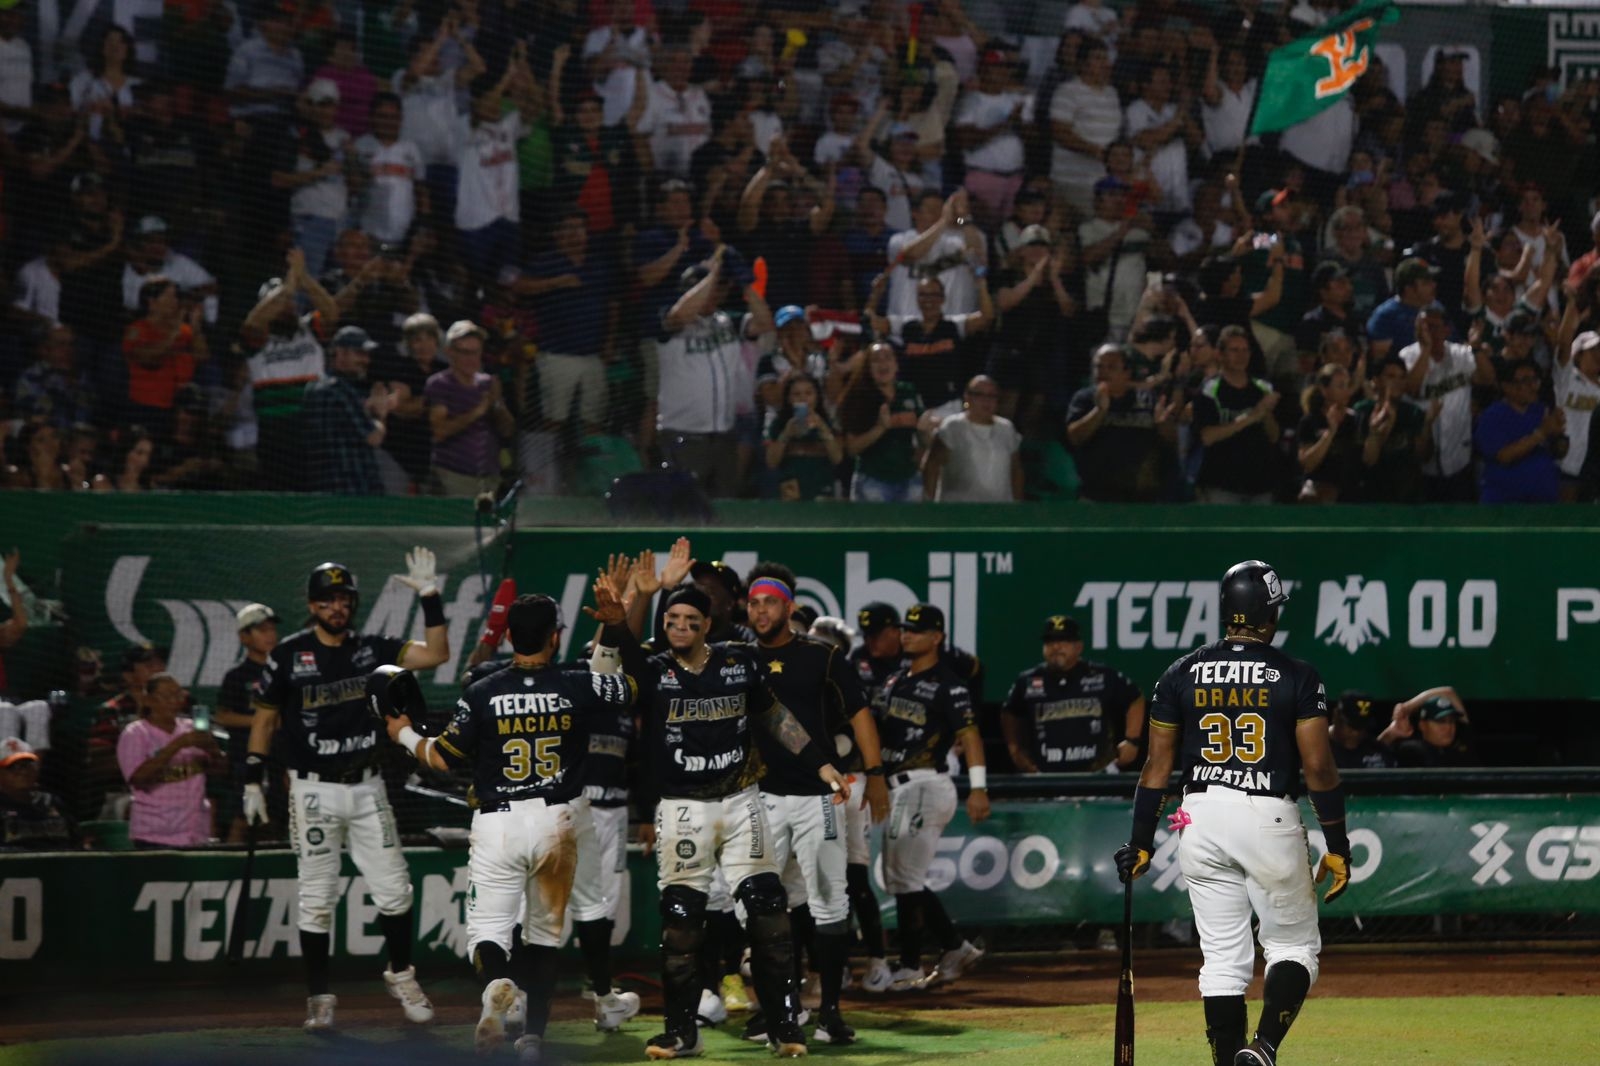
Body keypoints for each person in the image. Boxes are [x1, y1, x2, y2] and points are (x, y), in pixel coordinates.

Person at [588, 577, 848, 1060]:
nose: (680, 628)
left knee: (770, 917)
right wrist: (615, 626)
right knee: (682, 923)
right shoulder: (653, 668)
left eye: (691, 621)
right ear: (662, 626)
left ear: (708, 625)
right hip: (682, 809)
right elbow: (604, 688)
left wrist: (820, 761)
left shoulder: (739, 661)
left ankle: (783, 1025)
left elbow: (774, 715)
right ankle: (682, 1032)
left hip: (740, 800)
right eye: (671, 621)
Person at [380, 593, 642, 1062]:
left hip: (499, 822)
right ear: (555, 636)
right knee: (543, 937)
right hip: (559, 823)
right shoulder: (577, 683)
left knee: (488, 933)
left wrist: (401, 732)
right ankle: (532, 1040)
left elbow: (440, 756)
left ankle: (500, 985)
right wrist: (616, 626)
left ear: (507, 637)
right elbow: (632, 685)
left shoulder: (483, 689)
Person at [1115, 560, 1351, 1066]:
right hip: (1268, 814)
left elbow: (1156, 767)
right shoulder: (1297, 675)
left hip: (1197, 816)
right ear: (1268, 612)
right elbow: (1319, 768)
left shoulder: (1180, 672)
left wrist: (1140, 841)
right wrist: (1338, 844)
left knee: (1222, 960)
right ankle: (1262, 1049)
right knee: (1293, 948)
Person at [242, 556, 450, 1031]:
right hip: (312, 791)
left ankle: (401, 975)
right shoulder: (289, 654)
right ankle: (319, 996)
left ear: (353, 603)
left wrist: (430, 596)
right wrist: (252, 776)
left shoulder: (372, 649)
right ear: (312, 604)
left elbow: (436, 654)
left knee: (395, 891)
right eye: (327, 600)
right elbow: (265, 718)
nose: (336, 607)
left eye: (344, 599)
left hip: (367, 787)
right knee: (316, 898)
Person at [743, 562, 889, 1045]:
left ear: (788, 608)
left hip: (815, 796)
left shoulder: (823, 658)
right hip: (757, 797)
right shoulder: (737, 659)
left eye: (770, 602)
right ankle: (776, 1009)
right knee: (763, 907)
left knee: (830, 903)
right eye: (754, 602)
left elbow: (861, 713)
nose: (761, 610)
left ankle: (829, 1010)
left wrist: (876, 774)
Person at [875, 603, 988, 991]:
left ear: (937, 637)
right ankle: (955, 946)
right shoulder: (894, 680)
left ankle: (910, 966)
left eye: (918, 630)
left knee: (905, 878)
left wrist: (978, 787)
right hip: (897, 786)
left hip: (926, 782)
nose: (908, 635)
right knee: (900, 878)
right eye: (906, 629)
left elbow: (970, 736)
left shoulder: (949, 684)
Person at [1001, 615, 1144, 774]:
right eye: (1050, 642)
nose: (1056, 647)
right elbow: (1010, 713)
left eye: (1064, 641)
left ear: (1078, 647)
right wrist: (1015, 751)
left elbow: (1135, 698)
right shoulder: (1028, 681)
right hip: (1045, 777)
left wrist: (1132, 741)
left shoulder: (1099, 676)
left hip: (1098, 774)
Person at [1400, 303, 1495, 501]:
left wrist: (1476, 347)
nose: (1427, 332)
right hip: (1421, 464)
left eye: (1433, 327)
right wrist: (1425, 350)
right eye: (1423, 327)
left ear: (1447, 330)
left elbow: (1488, 379)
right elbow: (1411, 388)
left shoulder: (1461, 354)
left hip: (1459, 457)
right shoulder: (1408, 356)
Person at [116, 673, 222, 847]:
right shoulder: (136, 733)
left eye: (178, 694)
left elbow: (221, 771)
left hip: (195, 833)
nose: (175, 701)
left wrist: (212, 749)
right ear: (149, 700)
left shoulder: (190, 727)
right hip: (155, 834)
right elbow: (138, 779)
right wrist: (177, 745)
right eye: (167, 696)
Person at [1066, 344, 1177, 502]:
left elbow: (1171, 441)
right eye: (1099, 366)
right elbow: (1074, 437)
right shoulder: (1085, 398)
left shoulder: (1148, 400)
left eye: (1111, 367)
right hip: (1095, 496)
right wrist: (1099, 411)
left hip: (1141, 498)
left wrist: (1163, 424)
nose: (1103, 372)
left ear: (1127, 372)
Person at [1192, 326, 1281, 504]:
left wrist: (1265, 414)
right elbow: (1207, 436)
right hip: (1222, 483)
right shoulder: (1210, 390)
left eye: (1245, 350)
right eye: (1234, 350)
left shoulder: (1263, 388)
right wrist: (1250, 418)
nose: (1241, 356)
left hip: (1260, 483)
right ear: (1220, 354)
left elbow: (1274, 436)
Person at [304, 325, 397, 495]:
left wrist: (367, 409)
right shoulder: (339, 389)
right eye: (359, 354)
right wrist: (379, 413)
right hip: (351, 488)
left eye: (367, 354)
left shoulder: (314, 386)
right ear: (340, 353)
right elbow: (374, 437)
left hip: (324, 488)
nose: (366, 360)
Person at [214, 603, 280, 842]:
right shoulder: (237, 676)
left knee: (281, 814)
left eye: (272, 629)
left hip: (283, 755)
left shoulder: (284, 671)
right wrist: (264, 721)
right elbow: (223, 716)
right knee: (243, 816)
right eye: (261, 630)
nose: (270, 635)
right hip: (247, 757)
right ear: (244, 637)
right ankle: (231, 869)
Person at [427, 319, 512, 497]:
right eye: (465, 352)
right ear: (450, 352)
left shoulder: (488, 383)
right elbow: (439, 432)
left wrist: (496, 404)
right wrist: (478, 411)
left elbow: (508, 430)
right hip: (453, 477)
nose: (471, 359)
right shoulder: (439, 384)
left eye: (476, 352)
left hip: (489, 479)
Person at [840, 343, 925, 502]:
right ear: (867, 367)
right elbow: (852, 449)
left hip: (909, 478)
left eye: (887, 358)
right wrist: (880, 428)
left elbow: (922, 437)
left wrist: (926, 432)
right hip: (873, 480)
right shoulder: (859, 398)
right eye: (876, 360)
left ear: (896, 364)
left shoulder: (908, 391)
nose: (883, 364)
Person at [922, 375, 1023, 502]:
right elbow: (932, 465)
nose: (986, 401)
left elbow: (1016, 470)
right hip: (959, 511)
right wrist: (930, 503)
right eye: (979, 395)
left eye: (992, 396)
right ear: (967, 397)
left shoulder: (1007, 429)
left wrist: (1018, 504)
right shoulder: (952, 426)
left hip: (999, 511)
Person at [1476, 362, 1564, 503]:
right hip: (1505, 502)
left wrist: (1559, 436)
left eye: (1534, 380)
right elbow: (1504, 456)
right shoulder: (1492, 416)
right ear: (1506, 387)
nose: (1532, 386)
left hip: (1544, 499)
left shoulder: (1541, 410)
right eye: (1525, 381)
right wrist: (1541, 433)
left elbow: (1558, 453)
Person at [1, 737, 77, 850]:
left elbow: (76, 842)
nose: (23, 771)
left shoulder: (51, 802)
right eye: (13, 767)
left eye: (27, 765)